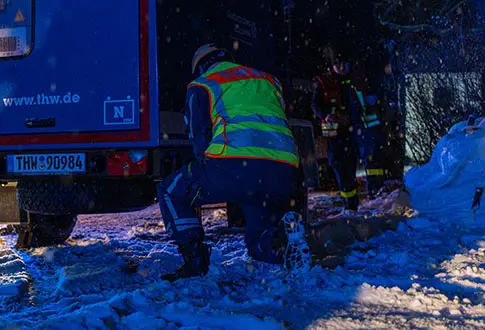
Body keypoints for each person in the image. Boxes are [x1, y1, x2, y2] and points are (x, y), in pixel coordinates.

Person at [157, 44, 311, 281]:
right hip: (283, 170)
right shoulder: (268, 80)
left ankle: (194, 261)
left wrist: (212, 173)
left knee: (170, 190)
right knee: (258, 243)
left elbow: (199, 138)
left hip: (234, 165)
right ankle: (282, 240)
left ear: (201, 66)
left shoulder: (202, 85)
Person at [311, 51, 386, 211]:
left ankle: (376, 196)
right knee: (342, 167)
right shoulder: (324, 82)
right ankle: (350, 205)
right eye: (337, 64)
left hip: (359, 129)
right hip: (337, 134)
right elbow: (316, 105)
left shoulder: (359, 77)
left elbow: (373, 95)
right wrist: (327, 114)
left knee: (372, 158)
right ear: (332, 66)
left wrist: (373, 100)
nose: (342, 67)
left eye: (344, 64)